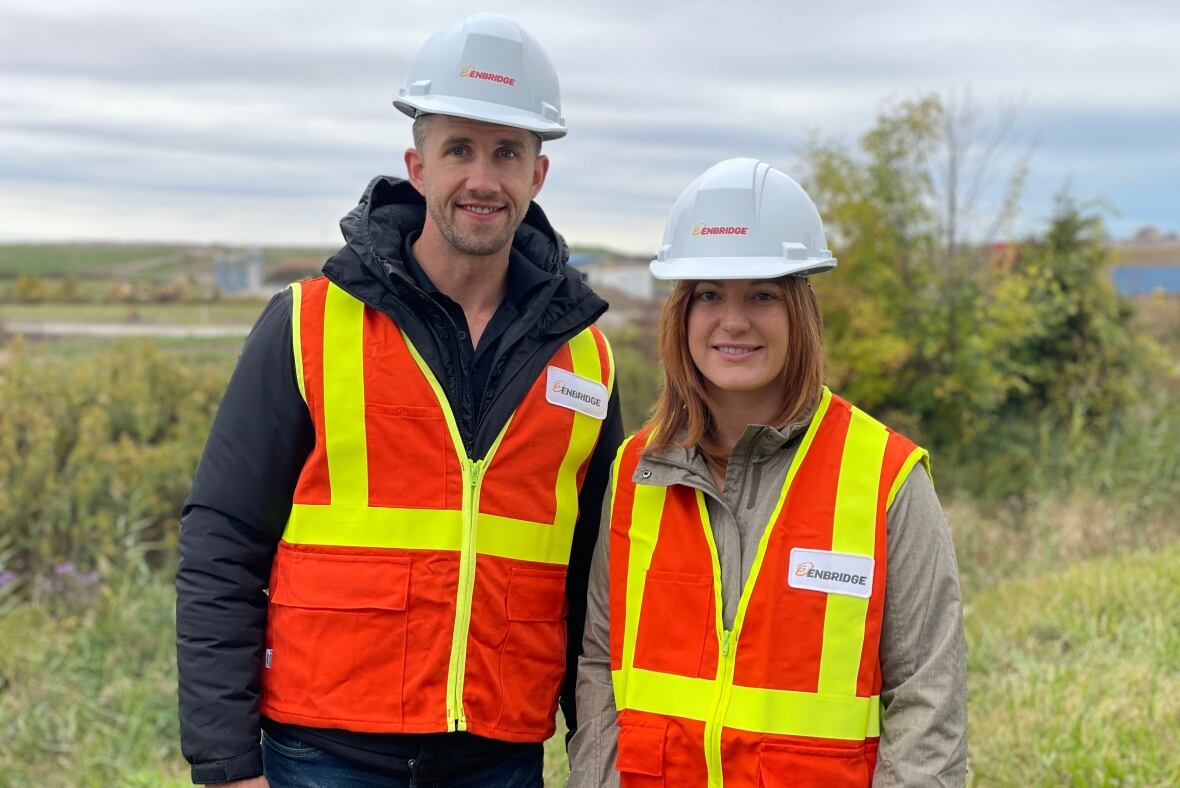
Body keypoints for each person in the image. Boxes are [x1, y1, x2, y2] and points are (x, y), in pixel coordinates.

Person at [176, 13, 623, 787]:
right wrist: (225, 763)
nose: (481, 179)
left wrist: (598, 753)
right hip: (323, 752)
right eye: (459, 150)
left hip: (501, 754)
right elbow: (222, 542)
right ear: (417, 166)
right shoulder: (309, 324)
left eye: (507, 153)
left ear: (536, 177)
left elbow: (598, 580)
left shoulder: (586, 356)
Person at [567, 158, 967, 786]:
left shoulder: (886, 478)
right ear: (681, 315)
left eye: (762, 295)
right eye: (708, 295)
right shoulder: (635, 473)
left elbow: (930, 704)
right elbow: (598, 668)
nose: (734, 321)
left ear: (799, 314)